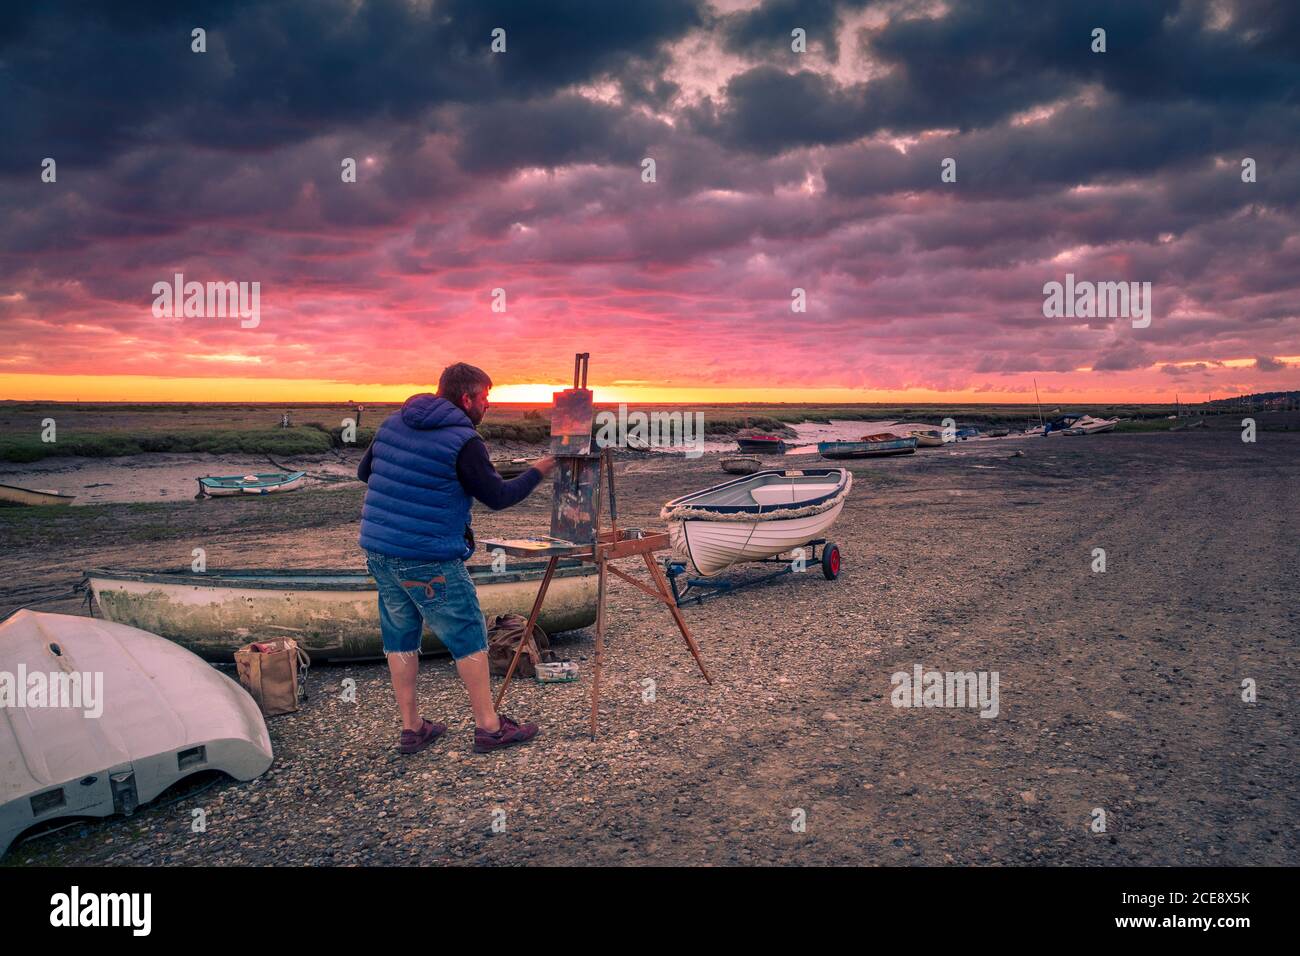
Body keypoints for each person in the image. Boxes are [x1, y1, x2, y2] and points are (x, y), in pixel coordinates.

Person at [357, 363, 555, 754]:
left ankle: (412, 728)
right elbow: (497, 498)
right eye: (485, 398)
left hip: (380, 550)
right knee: (467, 636)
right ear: (467, 398)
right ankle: (489, 727)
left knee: (399, 637)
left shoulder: (393, 423)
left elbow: (367, 473)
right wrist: (537, 471)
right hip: (428, 557)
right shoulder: (464, 441)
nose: (488, 405)